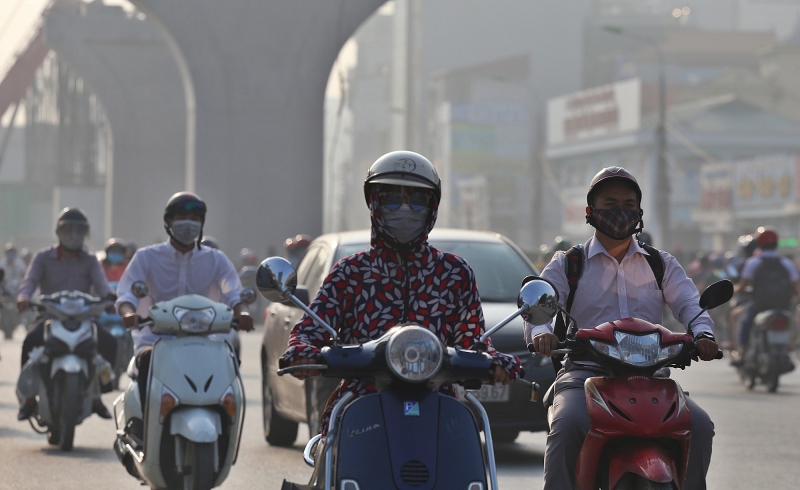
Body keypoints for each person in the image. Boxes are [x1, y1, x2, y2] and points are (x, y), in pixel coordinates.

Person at [280, 150, 521, 435]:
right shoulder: (349, 272)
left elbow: (472, 341)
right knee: (331, 451)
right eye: (392, 199)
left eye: (417, 200)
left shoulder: (456, 273)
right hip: (360, 405)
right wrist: (302, 351)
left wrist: (495, 362)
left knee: (468, 455)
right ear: (374, 204)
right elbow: (311, 327)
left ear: (432, 207)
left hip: (440, 405)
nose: (404, 210)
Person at [526, 167, 718, 490]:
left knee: (699, 426)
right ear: (590, 212)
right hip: (585, 376)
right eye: (611, 203)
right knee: (568, 423)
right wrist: (541, 333)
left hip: (651, 378)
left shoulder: (661, 264)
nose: (621, 211)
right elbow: (539, 306)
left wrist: (703, 334)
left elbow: (689, 304)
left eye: (629, 205)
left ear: (640, 214)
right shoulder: (569, 263)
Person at [116, 192, 254, 406]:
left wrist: (243, 313)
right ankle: (146, 429)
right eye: (182, 217)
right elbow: (126, 294)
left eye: (195, 218)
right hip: (155, 341)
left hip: (206, 342)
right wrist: (128, 314)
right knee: (146, 360)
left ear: (202, 224)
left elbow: (234, 295)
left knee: (228, 362)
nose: (189, 223)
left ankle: (225, 428)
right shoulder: (146, 257)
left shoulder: (216, 260)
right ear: (168, 221)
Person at [16, 207, 117, 420]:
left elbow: (103, 286)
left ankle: (98, 397)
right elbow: (30, 282)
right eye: (68, 229)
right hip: (49, 317)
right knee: (29, 342)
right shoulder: (43, 257)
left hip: (84, 319)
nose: (73, 235)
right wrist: (24, 297)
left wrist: (110, 300)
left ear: (85, 234)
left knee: (108, 342)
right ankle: (28, 400)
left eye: (79, 230)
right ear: (58, 232)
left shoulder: (90, 261)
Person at [732, 227, 798, 361]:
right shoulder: (786, 263)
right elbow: (795, 289)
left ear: (759, 244)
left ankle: (742, 353)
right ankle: (792, 345)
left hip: (759, 306)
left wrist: (732, 290)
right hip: (783, 306)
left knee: (746, 323)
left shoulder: (753, 262)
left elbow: (742, 286)